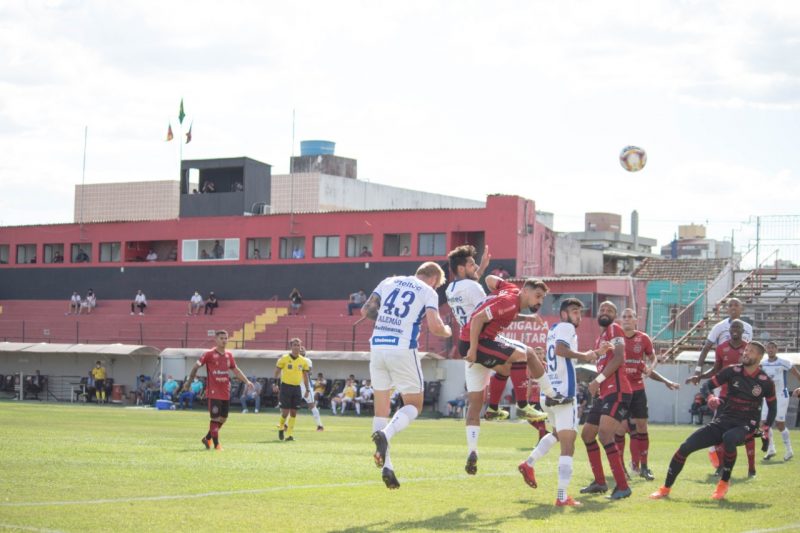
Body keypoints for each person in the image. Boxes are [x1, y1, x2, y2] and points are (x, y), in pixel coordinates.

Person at [457, 268, 560, 475]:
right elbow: (478, 319)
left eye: (542, 298)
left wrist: (498, 290)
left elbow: (489, 279)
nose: (540, 301)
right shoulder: (509, 301)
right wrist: (473, 350)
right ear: (525, 291)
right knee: (523, 354)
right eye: (537, 296)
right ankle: (525, 405)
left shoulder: (510, 290)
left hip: (476, 342)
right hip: (476, 344)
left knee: (479, 399)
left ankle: (475, 445)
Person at [650, 341, 776, 501]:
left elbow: (772, 408)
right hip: (724, 420)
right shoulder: (732, 371)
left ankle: (723, 482)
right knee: (685, 447)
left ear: (759, 356)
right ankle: (665, 489)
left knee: (729, 438)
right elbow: (706, 386)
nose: (745, 353)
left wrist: (765, 429)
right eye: (745, 350)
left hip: (746, 425)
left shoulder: (765, 381)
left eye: (750, 351)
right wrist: (710, 397)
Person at [366, 261, 453, 489]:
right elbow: (435, 327)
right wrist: (448, 330)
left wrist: (387, 320)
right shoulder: (428, 291)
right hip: (402, 348)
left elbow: (367, 310)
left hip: (378, 346)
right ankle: (386, 434)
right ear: (434, 279)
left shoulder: (388, 281)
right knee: (414, 404)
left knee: (381, 409)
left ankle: (387, 466)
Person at [518, 298, 598, 507]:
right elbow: (561, 351)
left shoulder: (553, 330)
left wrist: (595, 353)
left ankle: (528, 463)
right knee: (568, 445)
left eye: (580, 312)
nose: (578, 315)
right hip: (564, 395)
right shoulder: (566, 327)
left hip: (549, 393)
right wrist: (585, 355)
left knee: (555, 434)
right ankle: (562, 496)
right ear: (564, 314)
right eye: (574, 311)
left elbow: (560, 353)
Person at [618, 308, 680, 481]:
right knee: (620, 429)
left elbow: (651, 361)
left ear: (636, 320)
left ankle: (644, 467)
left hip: (638, 390)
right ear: (620, 320)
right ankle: (621, 468)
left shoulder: (643, 338)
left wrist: (663, 377)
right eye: (624, 316)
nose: (627, 319)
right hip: (620, 390)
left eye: (630, 316)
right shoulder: (616, 337)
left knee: (641, 427)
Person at [579, 301, 632, 500]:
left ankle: (623, 486)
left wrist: (597, 380)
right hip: (604, 393)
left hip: (617, 391)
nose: (605, 312)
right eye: (602, 309)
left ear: (614, 315)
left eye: (610, 310)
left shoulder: (615, 329)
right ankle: (600, 483)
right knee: (587, 434)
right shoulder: (600, 339)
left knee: (605, 434)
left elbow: (619, 358)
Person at [692, 319, 752, 476]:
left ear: (743, 330)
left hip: (745, 397)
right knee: (718, 431)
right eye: (732, 327)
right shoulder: (721, 348)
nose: (735, 329)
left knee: (748, 432)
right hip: (725, 396)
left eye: (738, 327)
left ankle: (752, 468)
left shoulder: (749, 348)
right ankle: (721, 466)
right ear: (729, 330)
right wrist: (700, 375)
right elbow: (716, 370)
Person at [181, 330, 253, 451]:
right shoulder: (208, 354)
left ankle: (207, 438)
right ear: (216, 340)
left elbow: (236, 370)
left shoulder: (229, 355)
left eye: (226, 338)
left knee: (223, 418)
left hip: (225, 391)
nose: (224, 340)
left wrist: (247, 381)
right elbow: (195, 367)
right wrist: (188, 382)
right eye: (221, 338)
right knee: (215, 418)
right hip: (213, 392)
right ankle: (216, 445)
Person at [688, 298, 753, 385]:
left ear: (742, 308)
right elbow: (706, 348)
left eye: (736, 305)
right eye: (730, 305)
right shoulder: (719, 327)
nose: (733, 307)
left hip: (742, 374)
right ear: (726, 309)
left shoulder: (748, 327)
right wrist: (698, 370)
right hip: (723, 369)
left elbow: (749, 351)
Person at [760, 341, 800, 461]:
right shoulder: (763, 364)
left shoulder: (784, 362)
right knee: (764, 423)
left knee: (779, 424)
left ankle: (789, 450)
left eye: (773, 347)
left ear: (776, 349)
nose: (770, 350)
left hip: (781, 395)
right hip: (767, 396)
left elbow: (797, 374)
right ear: (766, 350)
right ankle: (771, 449)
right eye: (768, 348)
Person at [273, 338, 311, 441]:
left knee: (294, 412)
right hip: (286, 387)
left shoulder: (303, 361)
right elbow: (277, 372)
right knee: (285, 412)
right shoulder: (284, 358)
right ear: (291, 346)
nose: (297, 347)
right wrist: (275, 384)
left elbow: (305, 376)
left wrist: (307, 390)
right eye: (294, 345)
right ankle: (281, 427)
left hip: (297, 388)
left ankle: (289, 435)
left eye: (298, 345)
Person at [299, 351, 325, 431]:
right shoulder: (294, 360)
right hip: (296, 386)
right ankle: (285, 425)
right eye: (300, 349)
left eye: (302, 349)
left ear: (304, 353)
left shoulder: (307, 360)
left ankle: (320, 425)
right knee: (291, 405)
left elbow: (309, 372)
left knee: (312, 405)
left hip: (306, 386)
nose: (301, 350)